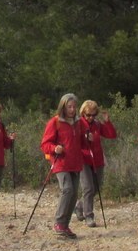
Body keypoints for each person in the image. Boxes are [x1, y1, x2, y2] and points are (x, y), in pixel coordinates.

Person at [40, 93, 86, 238]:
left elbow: (82, 144)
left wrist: (88, 139)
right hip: (60, 162)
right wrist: (54, 148)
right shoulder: (55, 122)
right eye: (69, 107)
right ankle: (59, 222)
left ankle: (64, 226)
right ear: (63, 107)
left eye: (74, 106)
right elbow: (45, 144)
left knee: (74, 194)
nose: (72, 109)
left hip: (75, 162)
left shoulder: (79, 122)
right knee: (67, 189)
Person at [74, 100, 117, 227]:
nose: (91, 117)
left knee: (96, 188)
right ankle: (89, 216)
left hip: (97, 160)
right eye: (88, 115)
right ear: (83, 113)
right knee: (88, 187)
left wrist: (107, 122)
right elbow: (73, 141)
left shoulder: (97, 124)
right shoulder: (78, 124)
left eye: (93, 115)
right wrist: (85, 139)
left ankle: (79, 205)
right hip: (84, 160)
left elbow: (111, 135)